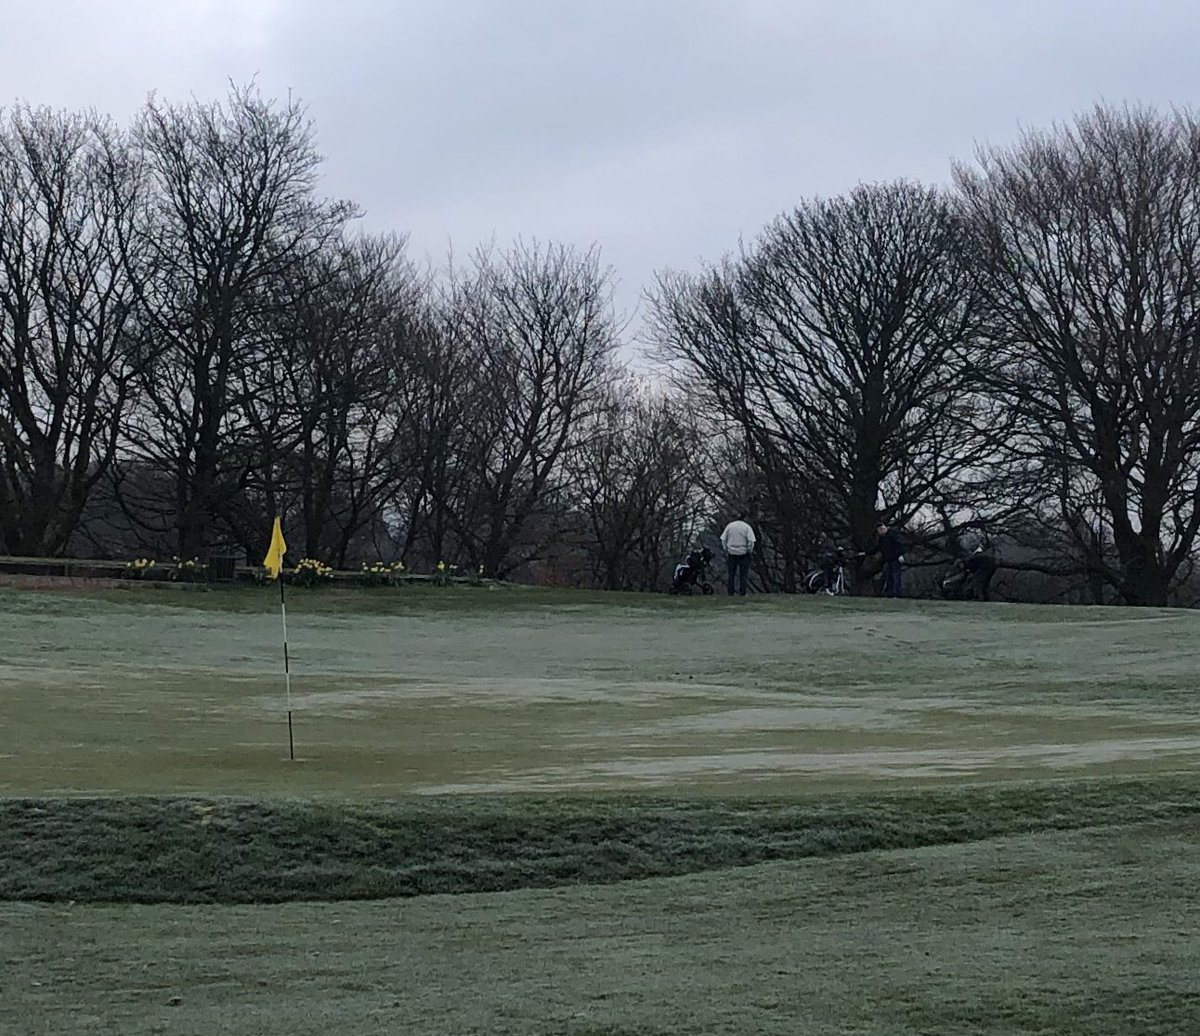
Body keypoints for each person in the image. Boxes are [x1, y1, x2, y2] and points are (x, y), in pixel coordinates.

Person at [720, 512, 756, 596]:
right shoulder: (747, 527)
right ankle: (742, 592)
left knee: (731, 574)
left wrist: (725, 549)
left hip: (732, 553)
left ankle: (730, 592)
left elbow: (723, 539)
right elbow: (751, 541)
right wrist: (749, 550)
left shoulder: (730, 526)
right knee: (743, 574)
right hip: (743, 553)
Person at [870, 522, 904, 598]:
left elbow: (899, 545)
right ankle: (889, 594)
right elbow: (878, 548)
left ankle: (897, 594)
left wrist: (900, 555)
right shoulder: (882, 538)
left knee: (896, 577)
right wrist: (866, 552)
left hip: (895, 558)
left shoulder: (893, 534)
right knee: (889, 577)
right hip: (888, 559)